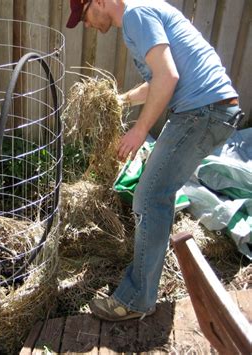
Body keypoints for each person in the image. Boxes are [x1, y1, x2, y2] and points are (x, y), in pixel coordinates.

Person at [66, 0, 244, 321]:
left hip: (202, 113)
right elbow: (159, 81)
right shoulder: (144, 10)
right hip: (210, 110)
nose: (87, 24)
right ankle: (142, 288)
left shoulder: (136, 15)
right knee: (155, 194)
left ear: (102, 2)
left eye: (85, 16)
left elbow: (168, 76)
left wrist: (139, 129)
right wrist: (121, 100)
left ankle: (136, 299)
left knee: (150, 197)